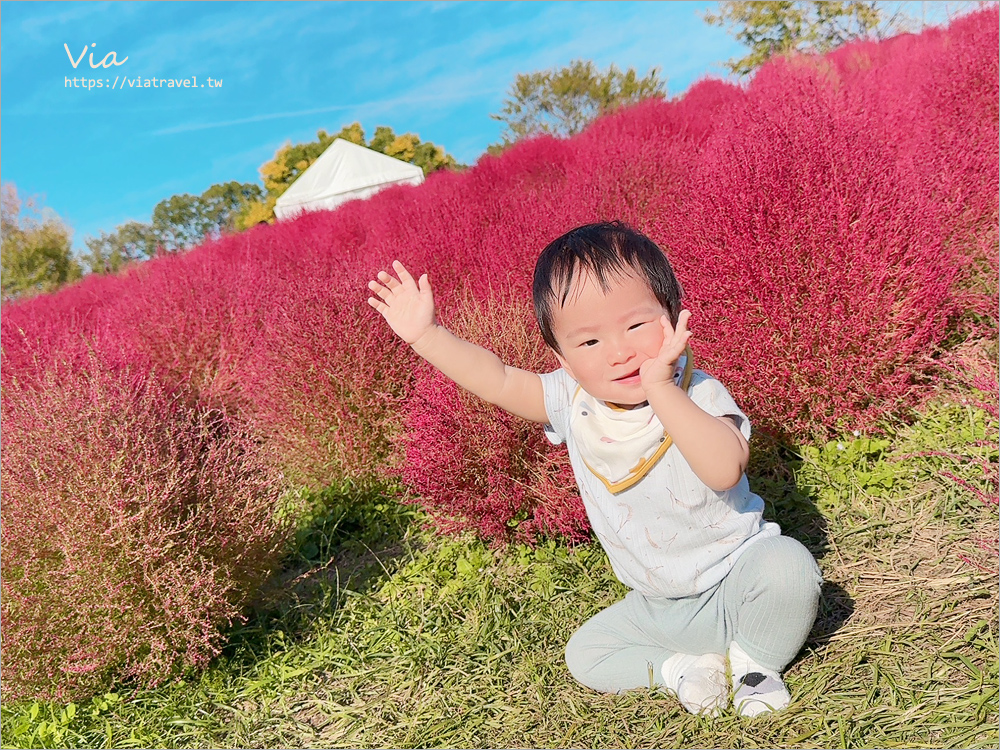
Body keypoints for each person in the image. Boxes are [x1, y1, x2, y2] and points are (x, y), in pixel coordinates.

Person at [366, 221, 822, 717]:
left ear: (673, 316)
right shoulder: (571, 399)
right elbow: (496, 379)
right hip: (659, 607)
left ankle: (756, 665)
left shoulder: (696, 391)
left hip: (739, 579)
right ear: (560, 357)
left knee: (791, 566)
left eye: (636, 325)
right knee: (585, 654)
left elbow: (723, 470)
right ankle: (685, 669)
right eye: (588, 343)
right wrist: (427, 336)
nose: (620, 352)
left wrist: (662, 390)